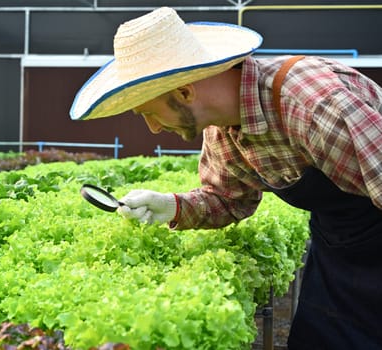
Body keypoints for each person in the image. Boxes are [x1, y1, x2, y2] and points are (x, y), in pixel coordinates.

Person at [70, 6, 382, 350]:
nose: (154, 128)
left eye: (149, 113)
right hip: (338, 248)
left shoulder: (313, 104)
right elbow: (226, 200)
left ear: (186, 93)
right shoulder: (223, 132)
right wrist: (171, 207)